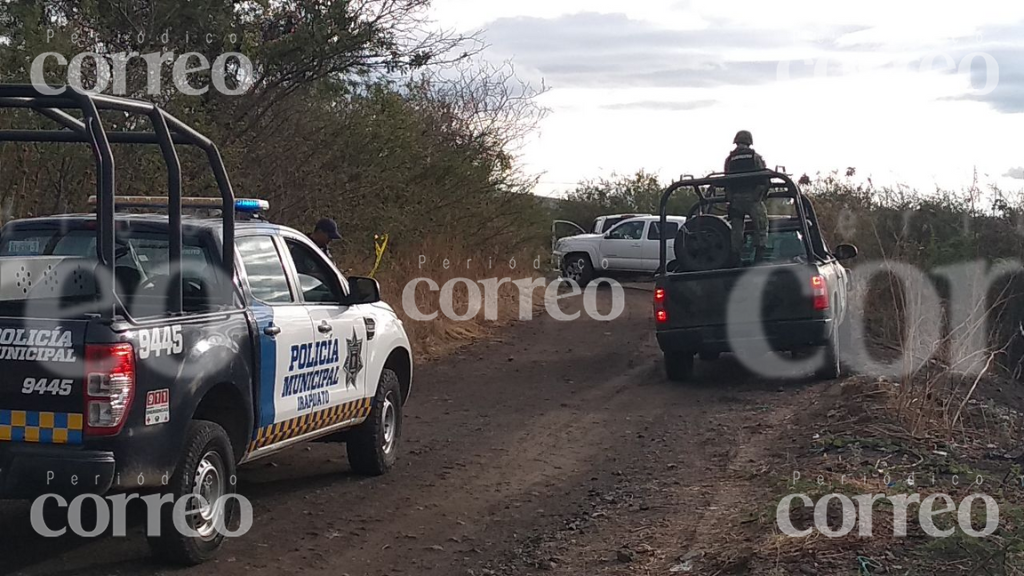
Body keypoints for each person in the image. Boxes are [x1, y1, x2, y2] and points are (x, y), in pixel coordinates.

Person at [723, 130, 770, 263]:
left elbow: (726, 180)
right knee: (761, 225)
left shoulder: (730, 159)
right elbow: (763, 177)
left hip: (736, 199)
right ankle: (759, 257)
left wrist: (730, 197)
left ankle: (735, 257)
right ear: (749, 141)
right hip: (752, 198)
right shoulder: (754, 157)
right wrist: (761, 194)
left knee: (736, 230)